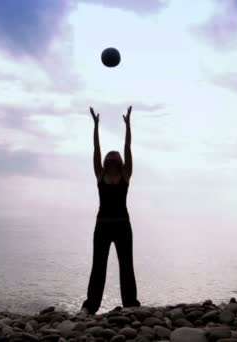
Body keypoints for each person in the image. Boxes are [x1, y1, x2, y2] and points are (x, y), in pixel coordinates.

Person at [78, 105, 141, 318]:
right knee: (98, 267)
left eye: (115, 156)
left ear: (119, 162)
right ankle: (90, 306)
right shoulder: (100, 174)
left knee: (126, 266)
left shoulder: (125, 175)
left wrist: (128, 125)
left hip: (123, 225)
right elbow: (95, 149)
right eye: (110, 156)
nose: (112, 157)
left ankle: (131, 305)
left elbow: (128, 147)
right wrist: (95, 126)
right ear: (106, 162)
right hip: (103, 226)